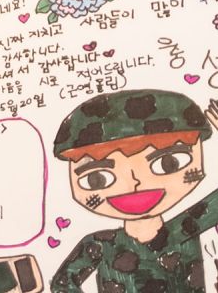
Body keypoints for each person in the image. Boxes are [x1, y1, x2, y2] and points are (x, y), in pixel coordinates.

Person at [51, 90, 218, 292]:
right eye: (97, 178)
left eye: (169, 163)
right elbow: (62, 284)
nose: (135, 183)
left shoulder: (185, 228)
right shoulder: (100, 244)